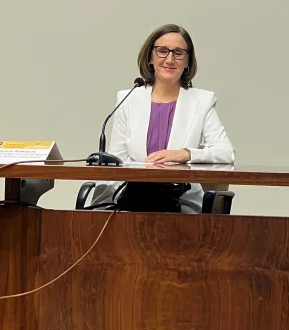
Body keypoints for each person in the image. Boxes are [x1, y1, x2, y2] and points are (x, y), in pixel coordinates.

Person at [91, 24, 235, 213]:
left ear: (188, 61)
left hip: (180, 203)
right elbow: (117, 160)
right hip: (133, 202)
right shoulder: (128, 99)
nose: (169, 59)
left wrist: (185, 154)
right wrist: (99, 210)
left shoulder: (202, 101)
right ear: (150, 57)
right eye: (162, 51)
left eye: (178, 53)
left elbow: (226, 153)